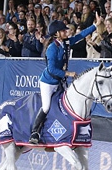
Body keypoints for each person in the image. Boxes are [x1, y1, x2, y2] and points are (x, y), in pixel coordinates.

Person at [29, 15, 102, 144]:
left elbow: (80, 36)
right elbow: (51, 69)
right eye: (63, 31)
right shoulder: (52, 48)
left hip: (59, 81)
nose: (66, 32)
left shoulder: (66, 42)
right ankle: (35, 132)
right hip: (48, 82)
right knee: (46, 107)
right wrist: (68, 73)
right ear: (56, 34)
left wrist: (95, 26)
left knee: (66, 103)